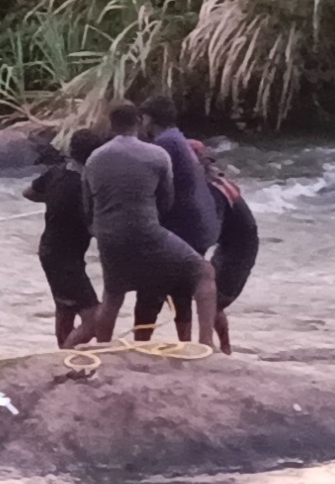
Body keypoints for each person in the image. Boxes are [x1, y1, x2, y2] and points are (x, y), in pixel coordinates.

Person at [65, 103, 217, 349]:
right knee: (204, 272)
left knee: (113, 295)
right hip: (146, 230)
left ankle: (102, 349)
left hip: (108, 235)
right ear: (138, 121)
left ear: (111, 124)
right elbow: (166, 200)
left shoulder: (94, 159)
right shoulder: (157, 155)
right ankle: (206, 343)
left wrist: (99, 229)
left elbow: (88, 204)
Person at [132, 95, 222, 340]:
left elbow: (151, 188)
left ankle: (141, 346)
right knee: (181, 290)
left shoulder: (164, 146)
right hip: (198, 225)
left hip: (181, 226)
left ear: (149, 119)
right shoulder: (178, 139)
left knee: (150, 289)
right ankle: (187, 343)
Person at [24, 129, 109, 347]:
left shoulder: (56, 172)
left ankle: (62, 354)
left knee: (65, 308)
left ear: (71, 151)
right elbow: (93, 227)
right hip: (67, 260)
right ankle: (65, 357)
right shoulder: (85, 186)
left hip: (49, 250)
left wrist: (52, 199)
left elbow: (28, 193)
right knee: (94, 317)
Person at [192, 139, 259, 355]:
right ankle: (225, 348)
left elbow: (210, 230)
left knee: (214, 301)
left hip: (239, 249)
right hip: (231, 244)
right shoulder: (215, 179)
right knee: (211, 297)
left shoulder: (212, 191)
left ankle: (220, 348)